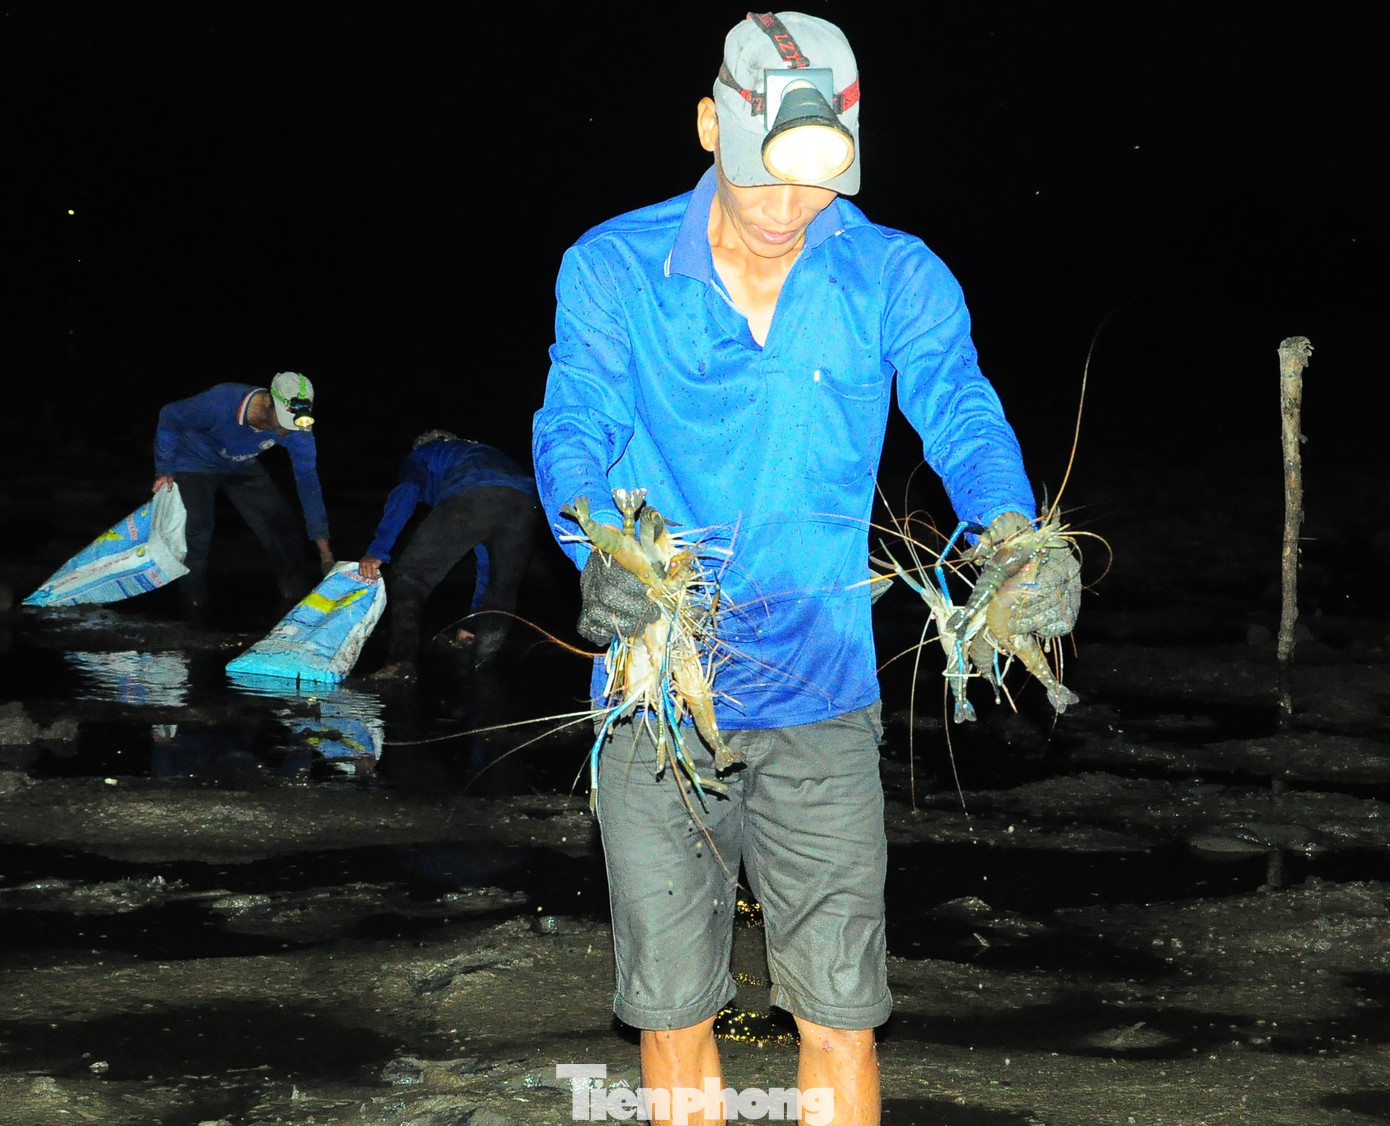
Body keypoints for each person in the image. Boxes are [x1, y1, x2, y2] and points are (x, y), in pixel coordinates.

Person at [532, 12, 1042, 1123]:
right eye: (764, 174)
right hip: (660, 700)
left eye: (816, 181)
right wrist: (597, 541)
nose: (788, 208)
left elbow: (959, 408)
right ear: (709, 125)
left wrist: (1012, 536)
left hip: (824, 696)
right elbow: (574, 420)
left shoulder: (893, 273)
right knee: (673, 1010)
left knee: (842, 1012)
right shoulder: (613, 266)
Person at [153, 372, 332, 625]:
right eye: (284, 422)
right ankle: (193, 610)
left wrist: (325, 551)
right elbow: (170, 415)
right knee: (197, 530)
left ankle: (295, 600)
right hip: (193, 463)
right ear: (268, 402)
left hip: (240, 463)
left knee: (280, 523)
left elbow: (308, 482)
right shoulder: (220, 401)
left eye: (293, 425)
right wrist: (165, 470)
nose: (287, 431)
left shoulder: (297, 428)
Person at [357, 431, 539, 679]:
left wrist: (378, 550)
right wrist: (471, 623)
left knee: (410, 575)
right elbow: (485, 566)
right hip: (526, 505)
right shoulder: (483, 454)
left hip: (472, 495)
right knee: (500, 592)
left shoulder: (423, 453)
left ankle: (400, 665)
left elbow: (408, 489)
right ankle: (481, 668)